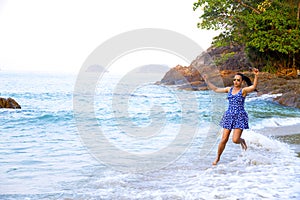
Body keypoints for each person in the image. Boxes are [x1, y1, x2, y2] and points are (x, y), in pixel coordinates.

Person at [203, 68, 259, 165]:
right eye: (234, 80)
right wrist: (207, 81)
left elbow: (253, 86)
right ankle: (217, 158)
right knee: (224, 139)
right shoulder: (229, 89)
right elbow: (216, 89)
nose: (236, 82)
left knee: (235, 140)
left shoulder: (243, 91)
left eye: (238, 80)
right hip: (229, 115)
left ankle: (242, 141)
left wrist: (256, 75)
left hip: (239, 116)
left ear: (242, 82)